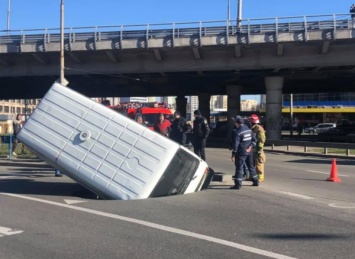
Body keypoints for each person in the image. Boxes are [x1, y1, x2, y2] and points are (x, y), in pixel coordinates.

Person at [230, 117, 259, 189]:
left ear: (237, 123)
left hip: (241, 152)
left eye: (235, 123)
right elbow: (254, 140)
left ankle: (238, 184)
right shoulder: (249, 130)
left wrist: (233, 154)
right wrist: (250, 147)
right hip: (249, 151)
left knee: (239, 167)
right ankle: (256, 181)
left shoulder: (238, 131)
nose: (235, 124)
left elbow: (236, 144)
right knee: (251, 166)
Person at [248, 114, 266, 182]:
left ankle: (260, 178)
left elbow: (261, 140)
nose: (249, 122)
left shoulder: (259, 129)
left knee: (259, 164)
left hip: (258, 150)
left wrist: (259, 150)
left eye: (250, 121)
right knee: (251, 164)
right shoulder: (252, 128)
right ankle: (252, 177)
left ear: (252, 121)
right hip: (252, 149)